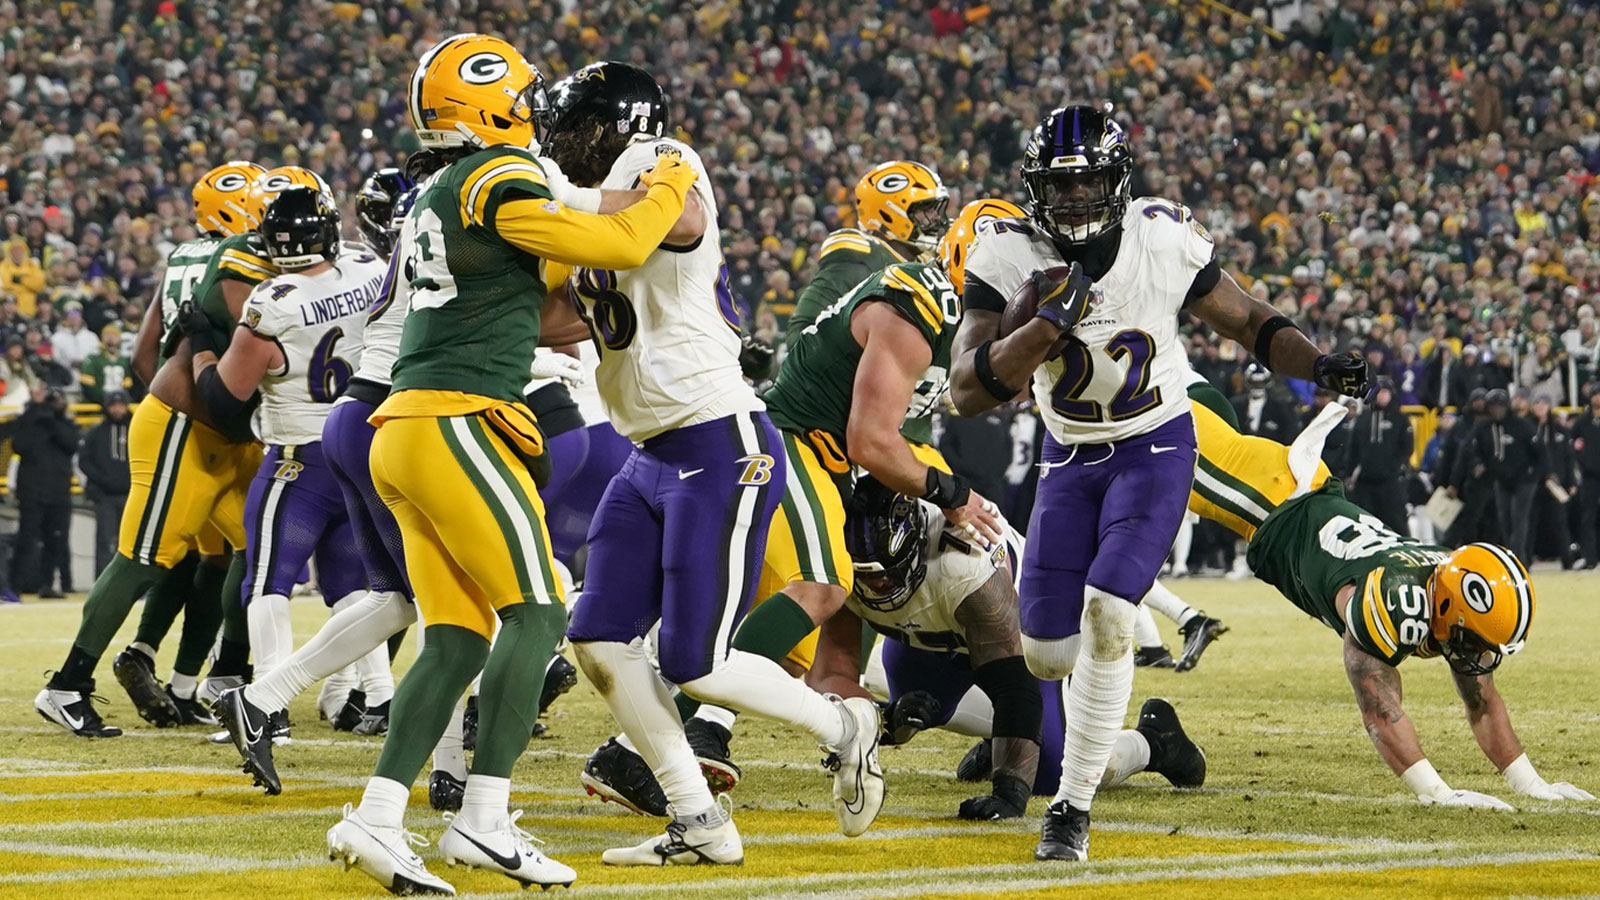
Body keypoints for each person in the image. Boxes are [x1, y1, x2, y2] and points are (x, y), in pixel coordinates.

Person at [947, 105, 1370, 862]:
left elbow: (1246, 320)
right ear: (1036, 189)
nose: (1076, 200)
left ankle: (1070, 811)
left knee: (1111, 611)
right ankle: (1141, 739)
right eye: (1061, 186)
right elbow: (968, 391)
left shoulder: (1160, 235)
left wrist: (1317, 364)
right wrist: (1044, 325)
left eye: (1090, 184)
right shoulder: (1006, 253)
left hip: (1154, 445)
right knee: (1045, 653)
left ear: (1119, 181)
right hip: (1069, 458)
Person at [324, 34, 696, 895]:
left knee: (456, 638)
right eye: (522, 96)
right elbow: (623, 243)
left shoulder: (444, 190)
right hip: (454, 421)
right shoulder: (496, 176)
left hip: (407, 427)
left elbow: (548, 292)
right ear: (488, 107)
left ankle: (377, 817)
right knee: (535, 614)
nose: (535, 110)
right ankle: (482, 821)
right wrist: (671, 177)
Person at [542, 61, 889, 866]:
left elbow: (686, 222)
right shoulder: (594, 205)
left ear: (623, 125)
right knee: (596, 641)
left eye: (582, 125)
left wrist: (555, 202)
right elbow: (563, 313)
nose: (565, 143)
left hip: (716, 438)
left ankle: (846, 724)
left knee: (692, 661)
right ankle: (698, 822)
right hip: (648, 449)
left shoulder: (663, 162)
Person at [1187, 387, 1591, 809]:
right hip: (1264, 498)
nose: (1480, 655)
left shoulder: (1447, 591)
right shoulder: (1396, 600)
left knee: (1192, 400)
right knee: (1147, 422)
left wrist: (1530, 784)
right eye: (1476, 640)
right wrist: (1436, 793)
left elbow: (1483, 701)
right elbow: (1378, 709)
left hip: (1307, 488)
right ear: (1448, 608)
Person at [33, 161, 271, 737]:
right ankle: (67, 685)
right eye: (265, 201)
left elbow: (146, 356)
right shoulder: (232, 261)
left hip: (224, 435)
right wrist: (193, 399)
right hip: (186, 428)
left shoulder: (192, 256)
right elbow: (157, 360)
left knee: (249, 551)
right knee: (144, 556)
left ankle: (216, 680)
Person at [192, 184, 384, 754]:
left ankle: (268, 704)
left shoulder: (273, 301)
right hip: (362, 444)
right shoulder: (367, 268)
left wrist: (203, 348)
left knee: (267, 582)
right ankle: (379, 694)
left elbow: (227, 399)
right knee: (359, 585)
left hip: (300, 460)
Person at [786, 159, 950, 338]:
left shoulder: (928, 264)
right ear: (890, 212)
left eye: (936, 209)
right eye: (925, 209)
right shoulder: (863, 256)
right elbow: (802, 332)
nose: (935, 218)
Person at [10, 385, 78, 597]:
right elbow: (19, 445)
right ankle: (14, 585)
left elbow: (71, 444)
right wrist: (36, 412)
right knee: (26, 539)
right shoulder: (29, 422)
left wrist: (51, 421)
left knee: (55, 541)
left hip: (59, 493)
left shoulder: (65, 424)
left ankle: (47, 584)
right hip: (32, 492)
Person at [1472, 389, 1539, 563]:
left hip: (1524, 480)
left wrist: (1536, 474)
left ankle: (1519, 561)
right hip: (1501, 480)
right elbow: (1473, 451)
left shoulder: (1522, 426)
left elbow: (1539, 452)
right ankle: (1511, 559)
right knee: (1505, 521)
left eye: (1499, 407)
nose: (1496, 411)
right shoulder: (1484, 428)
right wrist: (1477, 464)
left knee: (1519, 520)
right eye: (1493, 407)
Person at [1344, 380, 1414, 534]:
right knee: (1364, 523)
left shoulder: (1400, 419)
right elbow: (1353, 447)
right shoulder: (1363, 418)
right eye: (1379, 392)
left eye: (1385, 392)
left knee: (1396, 521)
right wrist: (1349, 473)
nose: (1382, 396)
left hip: (1390, 480)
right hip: (1365, 480)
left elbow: (1407, 446)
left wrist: (1395, 466)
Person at [78, 390, 132, 575]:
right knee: (104, 540)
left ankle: (130, 583)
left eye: (120, 405)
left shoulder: (136, 429)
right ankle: (102, 581)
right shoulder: (95, 432)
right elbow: (83, 461)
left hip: (131, 495)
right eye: (113, 405)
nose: (117, 409)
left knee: (130, 542)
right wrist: (103, 480)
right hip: (104, 496)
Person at [1527, 398, 1577, 568]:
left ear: (1549, 407)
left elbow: (1569, 458)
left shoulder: (1560, 431)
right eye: (1537, 404)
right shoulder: (1528, 428)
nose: (1540, 408)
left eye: (1543, 404)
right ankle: (1525, 560)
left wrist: (1571, 482)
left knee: (1560, 522)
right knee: (1530, 522)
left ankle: (1567, 560)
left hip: (1556, 482)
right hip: (1533, 482)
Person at [1569, 387, 1600, 568]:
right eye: (1595, 395)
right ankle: (1590, 559)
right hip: (1589, 477)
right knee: (1588, 518)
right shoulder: (1581, 423)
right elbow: (1573, 446)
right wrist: (1583, 463)